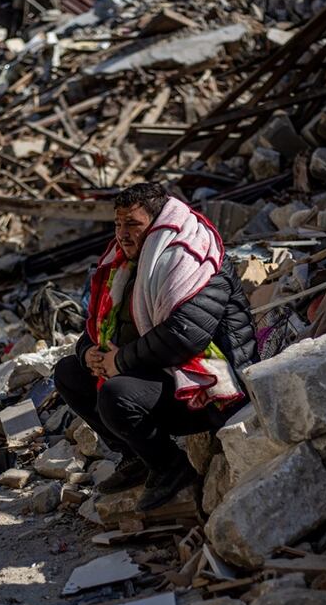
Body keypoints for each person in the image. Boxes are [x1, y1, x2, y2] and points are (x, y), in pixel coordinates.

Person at [53, 183, 258, 511]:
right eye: (117, 224)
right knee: (68, 372)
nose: (122, 234)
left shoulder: (195, 261)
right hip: (162, 371)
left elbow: (185, 336)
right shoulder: (127, 267)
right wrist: (88, 352)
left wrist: (120, 361)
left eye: (132, 224)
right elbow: (105, 324)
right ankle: (134, 456)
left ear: (159, 222)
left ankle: (170, 468)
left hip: (212, 385)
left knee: (117, 396)